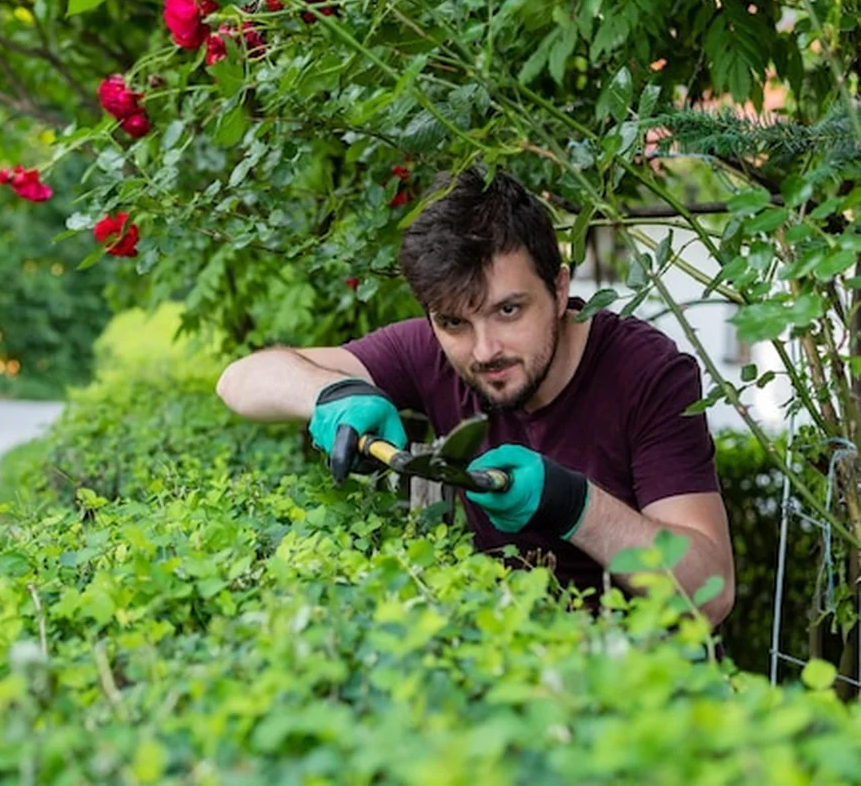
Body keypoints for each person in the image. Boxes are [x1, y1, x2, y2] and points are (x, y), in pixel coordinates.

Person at [215, 167, 735, 626]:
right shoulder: (430, 351)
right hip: (513, 668)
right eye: (454, 322)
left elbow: (710, 595)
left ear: (558, 290)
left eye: (509, 311)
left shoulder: (645, 373)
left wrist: (572, 503)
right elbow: (240, 380)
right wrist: (333, 394)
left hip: (654, 689)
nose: (484, 350)